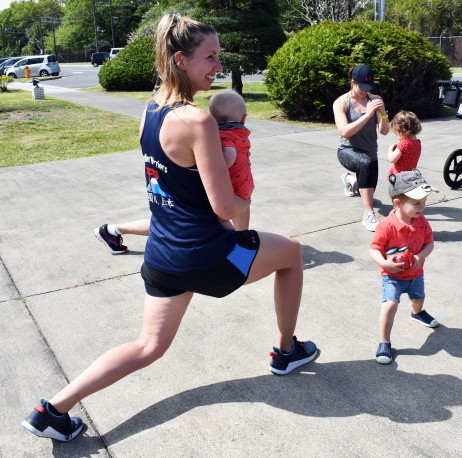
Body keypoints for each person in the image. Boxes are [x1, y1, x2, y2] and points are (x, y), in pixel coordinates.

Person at [22, 14, 317, 442]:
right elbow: (225, 210)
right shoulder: (198, 123)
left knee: (147, 346)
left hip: (163, 255)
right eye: (210, 57)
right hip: (204, 253)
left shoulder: (150, 111)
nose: (217, 66)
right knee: (290, 252)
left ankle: (51, 409)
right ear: (180, 59)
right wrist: (245, 190)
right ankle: (286, 351)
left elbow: (175, 188)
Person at [94, 90, 255, 254]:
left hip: (180, 189)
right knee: (181, 223)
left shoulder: (155, 111)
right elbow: (223, 163)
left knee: (171, 222)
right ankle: (241, 251)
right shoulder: (205, 130)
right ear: (243, 118)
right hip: (189, 193)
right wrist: (243, 199)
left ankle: (112, 230)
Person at [369, 169, 438, 365]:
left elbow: (429, 244)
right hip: (392, 276)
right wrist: (384, 263)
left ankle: (417, 313)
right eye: (417, 203)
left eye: (424, 201)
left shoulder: (422, 222)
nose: (422, 207)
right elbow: (374, 248)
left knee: (419, 298)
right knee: (389, 305)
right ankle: (384, 341)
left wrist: (419, 256)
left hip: (416, 274)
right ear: (397, 203)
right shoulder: (386, 226)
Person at [333, 64, 390, 232]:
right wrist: (367, 115)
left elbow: (384, 131)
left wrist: (382, 112)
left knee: (367, 187)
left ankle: (350, 180)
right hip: (347, 151)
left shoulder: (375, 100)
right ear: (353, 82)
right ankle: (368, 214)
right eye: (362, 87)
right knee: (366, 166)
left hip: (370, 153)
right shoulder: (341, 103)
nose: (365, 91)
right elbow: (345, 131)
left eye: (368, 87)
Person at [209, 89, 253, 230]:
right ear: (244, 118)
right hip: (244, 183)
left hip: (233, 186)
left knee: (218, 218)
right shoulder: (240, 133)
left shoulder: (224, 134)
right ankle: (242, 234)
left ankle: (229, 236)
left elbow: (230, 154)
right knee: (242, 210)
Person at [387, 111, 422, 177]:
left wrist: (390, 149)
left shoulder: (404, 143)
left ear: (403, 130)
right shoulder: (418, 142)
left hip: (399, 178)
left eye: (396, 133)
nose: (397, 137)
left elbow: (392, 159)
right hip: (411, 175)